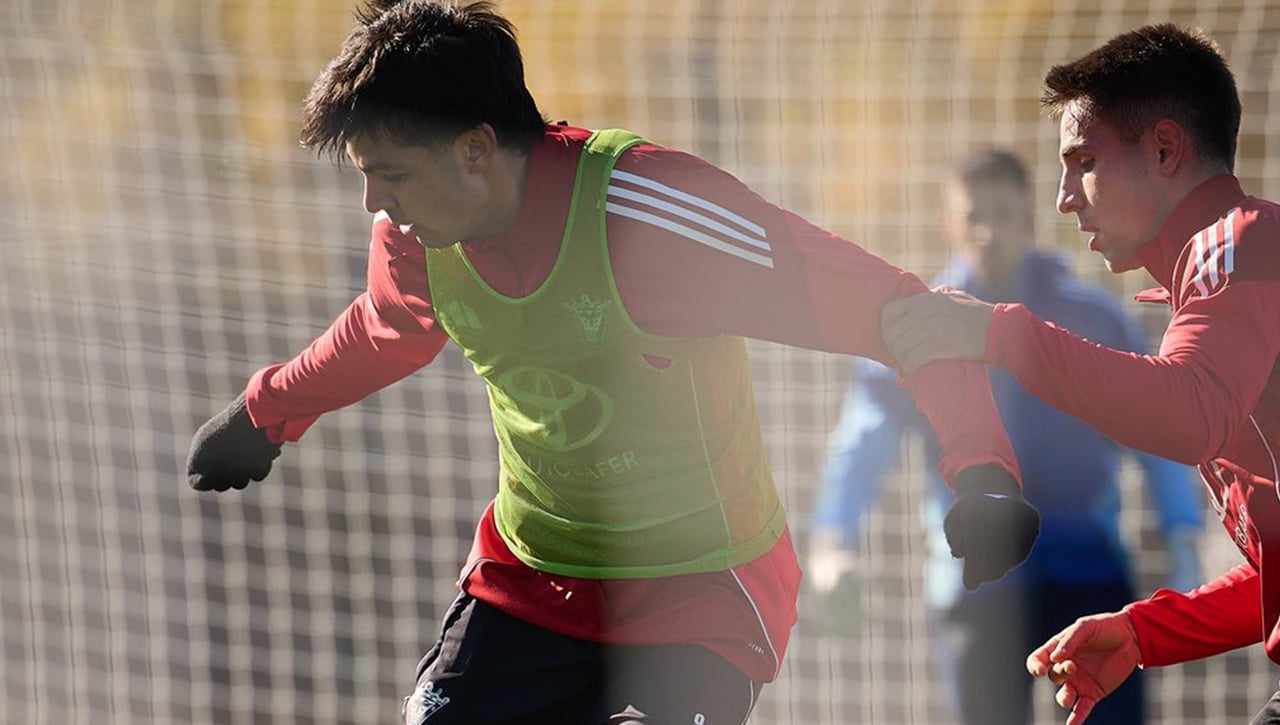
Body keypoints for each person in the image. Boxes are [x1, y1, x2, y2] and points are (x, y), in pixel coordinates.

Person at [183, 2, 1041, 724]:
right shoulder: (411, 238)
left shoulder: (651, 216)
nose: (376, 203)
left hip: (701, 589)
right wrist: (265, 414)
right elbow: (386, 327)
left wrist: (982, 471)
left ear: (475, 148)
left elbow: (899, 312)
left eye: (392, 175)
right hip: (534, 577)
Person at [879, 23, 1280, 725]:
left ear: (1165, 149)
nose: (1065, 197)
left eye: (1084, 161)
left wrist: (1000, 334)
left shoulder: (1237, 242)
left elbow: (1190, 413)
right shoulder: (1230, 263)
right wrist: (1143, 631)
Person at [807, 148, 1204, 725]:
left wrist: (1183, 535)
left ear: (1028, 218)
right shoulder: (916, 325)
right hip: (978, 581)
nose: (989, 232)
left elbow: (1153, 429)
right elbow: (862, 444)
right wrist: (832, 542)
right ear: (949, 222)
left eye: (1003, 214)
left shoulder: (1093, 317)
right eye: (974, 216)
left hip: (1087, 568)